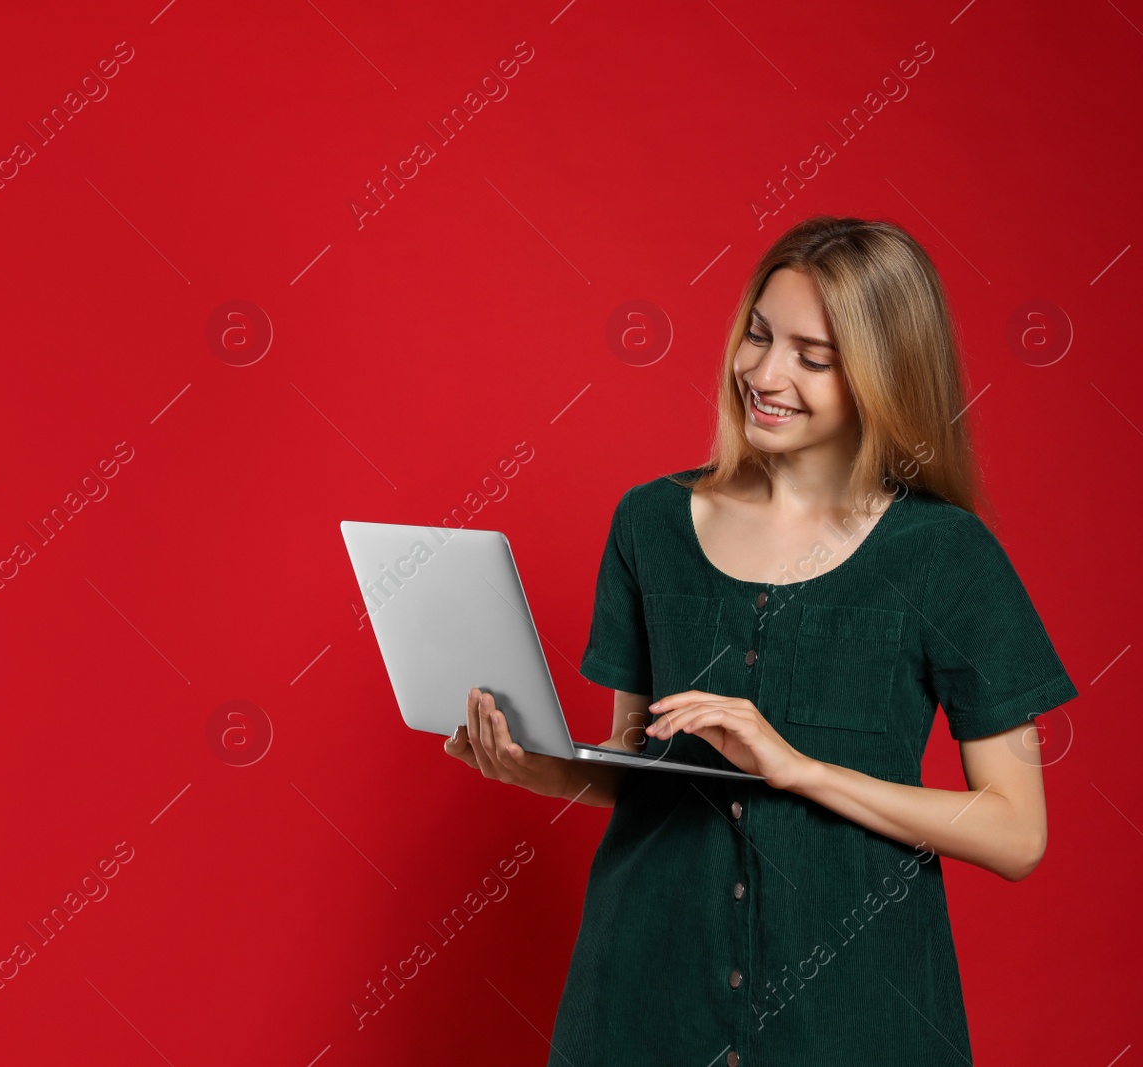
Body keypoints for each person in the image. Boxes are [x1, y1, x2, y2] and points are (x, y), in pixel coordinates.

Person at [443, 214, 1079, 1065]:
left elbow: (1015, 833)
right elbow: (643, 766)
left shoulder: (946, 555)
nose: (765, 372)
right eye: (758, 335)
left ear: (884, 374)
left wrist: (800, 767)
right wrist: (542, 766)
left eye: (813, 358)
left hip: (857, 1016)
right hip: (641, 1000)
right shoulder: (651, 522)